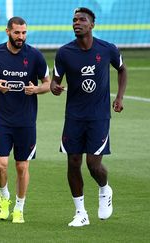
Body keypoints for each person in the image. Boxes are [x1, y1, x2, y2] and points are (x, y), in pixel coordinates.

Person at [50, 7, 127, 227]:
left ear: (92, 25)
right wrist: (55, 87)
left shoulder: (107, 49)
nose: (77, 23)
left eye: (82, 20)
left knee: (94, 165)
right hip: (73, 116)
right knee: (73, 162)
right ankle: (81, 213)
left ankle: (104, 189)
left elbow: (122, 70)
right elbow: (56, 80)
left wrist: (119, 97)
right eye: (74, 20)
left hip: (99, 116)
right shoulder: (64, 52)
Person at [0, 16, 51, 224]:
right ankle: (4, 195)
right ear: (7, 31)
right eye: (17, 32)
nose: (21, 37)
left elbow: (48, 83)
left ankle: (19, 207)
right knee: (1, 165)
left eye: (24, 32)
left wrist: (36, 89)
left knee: (21, 167)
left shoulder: (35, 56)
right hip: (1, 119)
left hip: (26, 120)